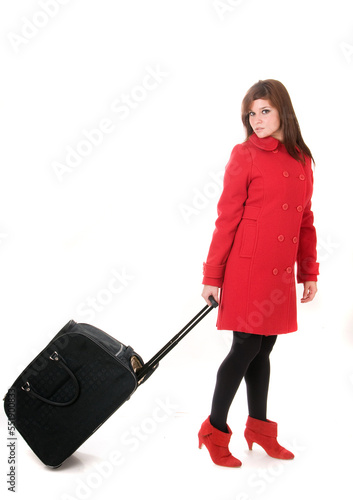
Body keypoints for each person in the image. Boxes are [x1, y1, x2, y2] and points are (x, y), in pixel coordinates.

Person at [198, 79, 319, 467]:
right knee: (246, 346)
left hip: (280, 273)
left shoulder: (302, 159)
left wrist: (309, 271)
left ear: (283, 110)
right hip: (247, 270)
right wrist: (213, 275)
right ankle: (214, 431)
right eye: (251, 113)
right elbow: (227, 217)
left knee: (265, 348)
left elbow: (305, 221)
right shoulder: (245, 154)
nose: (257, 119)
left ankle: (259, 429)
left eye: (264, 110)